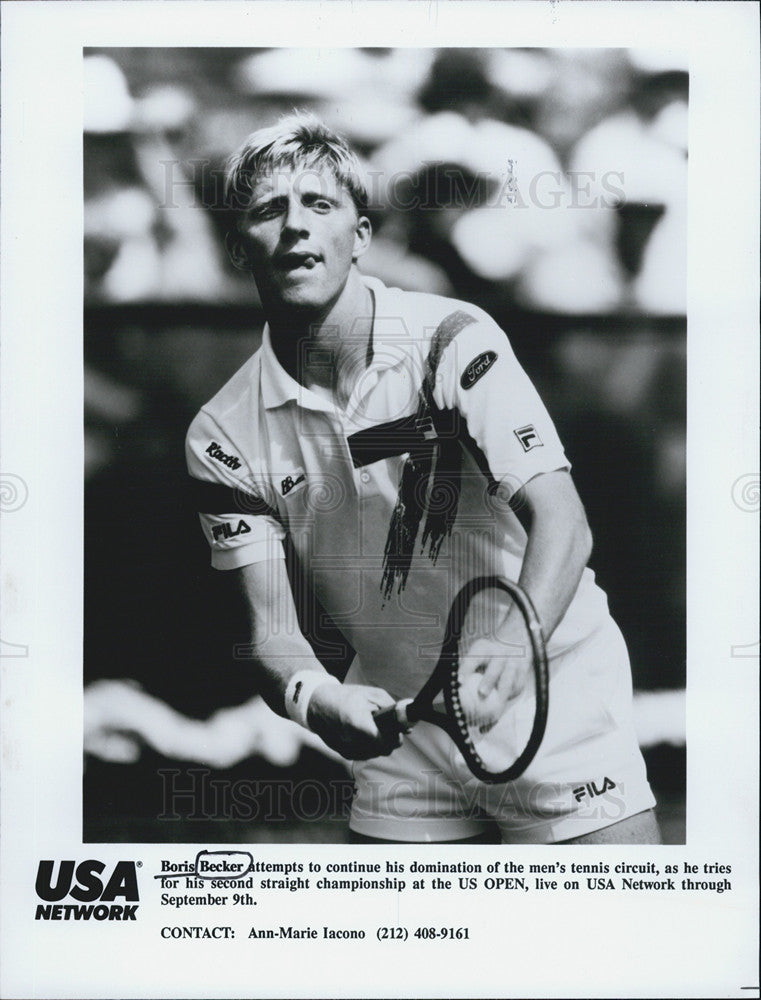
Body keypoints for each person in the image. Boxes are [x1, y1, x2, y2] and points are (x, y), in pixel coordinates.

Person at [186, 111, 660, 844]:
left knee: (622, 951)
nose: (295, 228)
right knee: (405, 956)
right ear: (240, 249)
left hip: (551, 692)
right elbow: (273, 631)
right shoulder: (221, 435)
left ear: (361, 237)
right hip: (401, 734)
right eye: (267, 211)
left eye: (319, 205)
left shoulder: (451, 339)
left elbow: (563, 520)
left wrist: (510, 644)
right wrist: (314, 698)